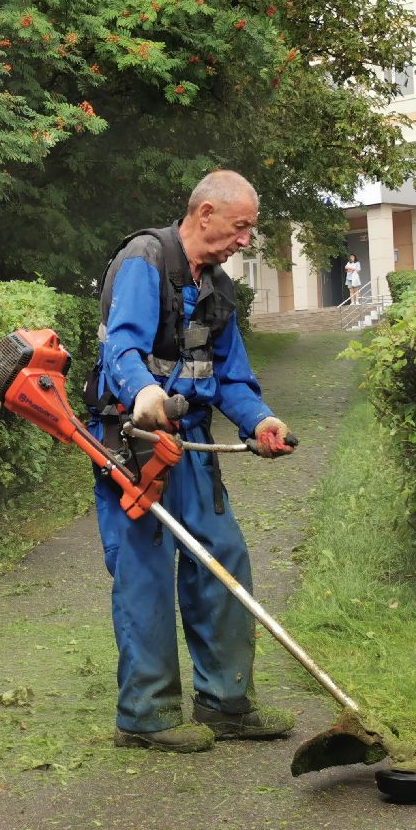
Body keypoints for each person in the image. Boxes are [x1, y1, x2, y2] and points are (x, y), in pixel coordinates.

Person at [85, 170, 297, 753]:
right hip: (133, 445)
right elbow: (121, 345)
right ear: (206, 214)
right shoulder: (144, 261)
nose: (245, 240)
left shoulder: (219, 290)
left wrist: (261, 421)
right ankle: (146, 716)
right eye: (241, 226)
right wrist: (143, 393)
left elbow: (231, 377)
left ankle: (225, 704)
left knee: (223, 558)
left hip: (193, 446)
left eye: (249, 229)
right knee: (144, 573)